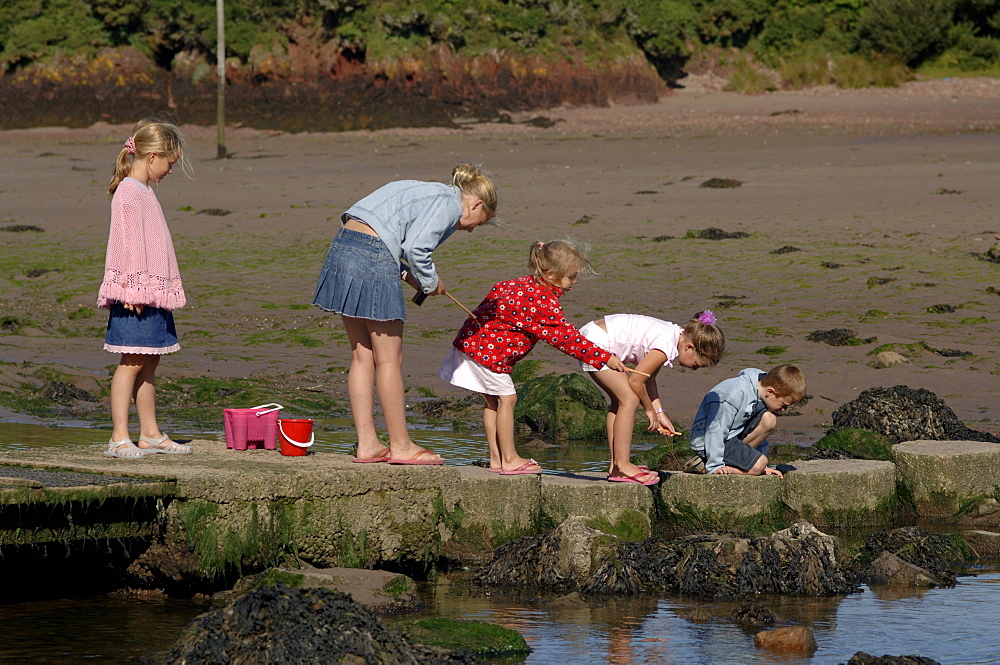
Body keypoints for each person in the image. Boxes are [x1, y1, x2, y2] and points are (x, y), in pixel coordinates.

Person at [313, 165, 498, 465]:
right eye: (480, 222)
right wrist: (429, 281)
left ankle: (368, 444)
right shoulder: (450, 202)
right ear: (475, 204)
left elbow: (386, 232)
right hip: (370, 253)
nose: (472, 229)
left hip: (344, 243)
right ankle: (400, 446)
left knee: (362, 355)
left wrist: (408, 275)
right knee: (389, 359)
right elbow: (416, 247)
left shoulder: (425, 190)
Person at [437, 239, 627, 475]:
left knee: (493, 402)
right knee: (508, 399)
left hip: (471, 344)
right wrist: (604, 357)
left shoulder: (518, 284)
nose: (574, 282)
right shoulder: (542, 300)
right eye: (570, 277)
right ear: (550, 274)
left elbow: (493, 297)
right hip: (489, 353)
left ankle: (497, 459)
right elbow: (565, 337)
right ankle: (509, 459)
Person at [98, 117, 193, 458]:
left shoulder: (145, 191)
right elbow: (128, 244)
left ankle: (150, 433)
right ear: (152, 156)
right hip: (134, 294)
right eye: (170, 163)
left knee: (149, 363)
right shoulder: (127, 193)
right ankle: (118, 436)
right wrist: (134, 289)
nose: (170, 170)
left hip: (152, 294)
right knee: (131, 363)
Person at [578, 311, 726, 485]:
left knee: (620, 402)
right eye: (696, 365)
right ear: (689, 347)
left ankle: (616, 466)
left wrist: (659, 413)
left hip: (593, 337)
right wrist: (649, 409)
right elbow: (636, 381)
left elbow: (648, 378)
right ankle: (623, 464)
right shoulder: (666, 345)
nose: (694, 369)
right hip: (596, 342)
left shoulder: (672, 336)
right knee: (630, 400)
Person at [687, 364, 807, 477]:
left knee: (769, 419)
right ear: (770, 392)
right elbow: (716, 430)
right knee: (760, 463)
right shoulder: (734, 395)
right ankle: (711, 466)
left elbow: (760, 432)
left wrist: (758, 460)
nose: (784, 409)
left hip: (732, 436)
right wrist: (715, 466)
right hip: (707, 441)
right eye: (783, 405)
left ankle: (745, 463)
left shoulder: (761, 389)